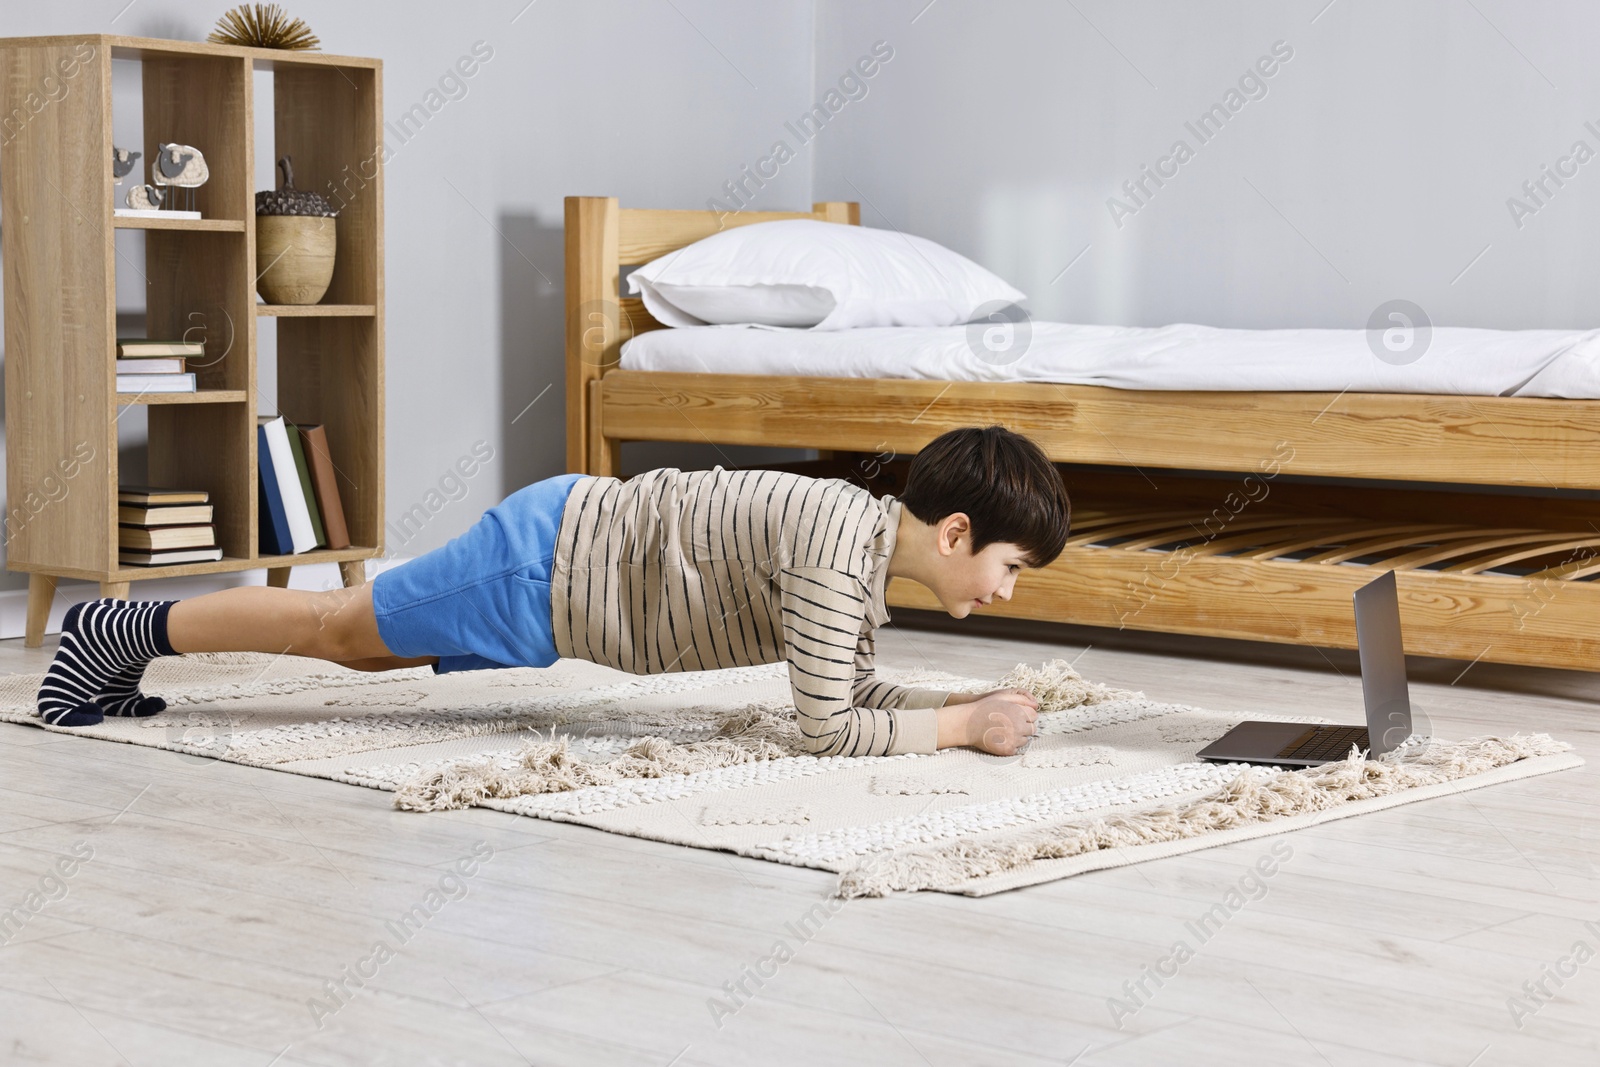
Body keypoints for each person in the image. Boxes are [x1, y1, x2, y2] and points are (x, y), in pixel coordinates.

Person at [37, 425, 1071, 757]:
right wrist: (960, 729)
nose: (1006, 591)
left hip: (561, 582)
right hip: (548, 562)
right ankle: (116, 625)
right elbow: (826, 728)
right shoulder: (833, 545)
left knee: (350, 637)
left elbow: (844, 690)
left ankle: (122, 637)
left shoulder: (851, 550)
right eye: (1010, 567)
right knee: (338, 624)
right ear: (955, 531)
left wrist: (957, 710)